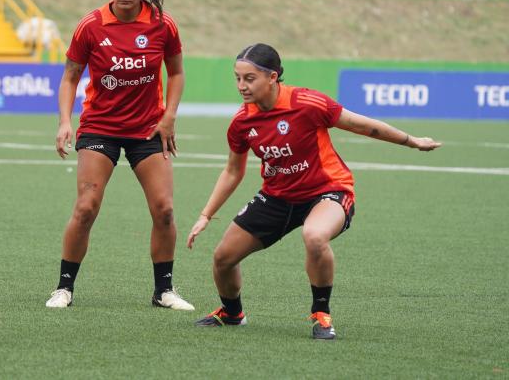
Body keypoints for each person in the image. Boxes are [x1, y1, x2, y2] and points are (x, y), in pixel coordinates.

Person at [187, 43, 441, 339]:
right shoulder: (242, 121)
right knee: (223, 258)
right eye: (237, 78)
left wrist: (412, 141)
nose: (241, 86)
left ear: (272, 77)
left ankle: (321, 314)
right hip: (277, 197)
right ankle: (232, 313)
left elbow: (362, 126)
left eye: (249, 78)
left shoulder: (307, 102)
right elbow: (233, 171)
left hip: (328, 191)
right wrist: (206, 215)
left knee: (315, 236)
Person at [46, 0, 193, 311]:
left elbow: (176, 73)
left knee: (165, 210)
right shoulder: (90, 25)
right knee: (86, 207)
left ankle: (164, 291)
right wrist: (65, 121)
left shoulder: (163, 24)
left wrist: (170, 116)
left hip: (148, 128)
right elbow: (69, 77)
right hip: (100, 127)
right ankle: (63, 288)